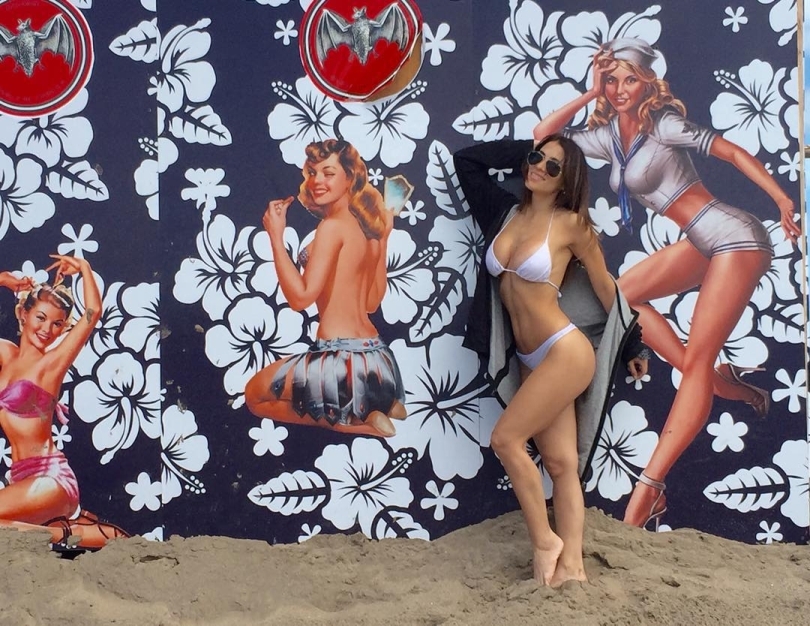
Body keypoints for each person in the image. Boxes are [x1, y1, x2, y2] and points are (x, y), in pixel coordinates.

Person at [532, 38, 800, 530]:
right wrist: (589, 92)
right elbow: (543, 136)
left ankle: (648, 491)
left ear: (647, 84)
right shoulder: (608, 137)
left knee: (694, 362)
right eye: (612, 80)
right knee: (620, 296)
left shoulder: (665, 125)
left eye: (629, 80)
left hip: (735, 236)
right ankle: (720, 383)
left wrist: (782, 200)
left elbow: (732, 152)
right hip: (699, 240)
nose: (619, 89)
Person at [454, 135, 648, 587]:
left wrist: (633, 343)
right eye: (537, 158)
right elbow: (467, 162)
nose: (540, 167)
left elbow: (604, 286)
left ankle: (545, 541)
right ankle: (573, 569)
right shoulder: (504, 213)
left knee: (506, 440)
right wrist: (531, 145)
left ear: (567, 180)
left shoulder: (572, 225)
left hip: (564, 350)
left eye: (554, 166)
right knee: (560, 465)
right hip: (528, 357)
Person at [245, 139, 407, 438]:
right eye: (312, 172)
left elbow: (300, 298)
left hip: (339, 360)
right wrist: (384, 240)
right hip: (377, 358)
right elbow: (371, 302)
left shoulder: (332, 227)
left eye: (328, 173)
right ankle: (373, 402)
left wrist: (276, 237)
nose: (317, 180)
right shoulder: (368, 229)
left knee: (256, 396)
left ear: (350, 178)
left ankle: (359, 422)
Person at [0, 256, 128, 550]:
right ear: (24, 314)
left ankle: (68, 534)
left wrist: (84, 268)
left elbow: (93, 313)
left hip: (51, 479)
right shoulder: (6, 353)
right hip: (22, 481)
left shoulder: (52, 364)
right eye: (41, 318)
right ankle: (70, 529)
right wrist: (4, 280)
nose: (47, 329)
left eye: (57, 323)